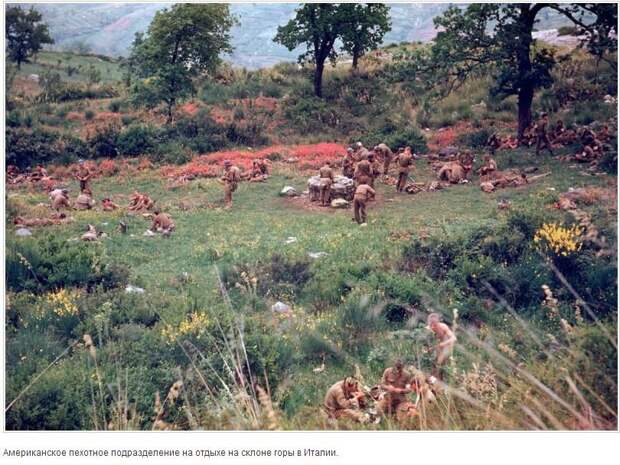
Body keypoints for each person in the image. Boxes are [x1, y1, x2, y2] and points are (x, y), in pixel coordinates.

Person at [427, 313, 457, 379]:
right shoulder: (427, 330)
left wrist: (443, 344)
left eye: (434, 325)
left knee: (439, 363)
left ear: (438, 322)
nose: (432, 327)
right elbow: (426, 343)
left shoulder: (443, 327)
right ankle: (434, 380)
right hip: (435, 347)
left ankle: (439, 379)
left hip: (446, 346)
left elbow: (454, 338)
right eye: (430, 325)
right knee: (433, 364)